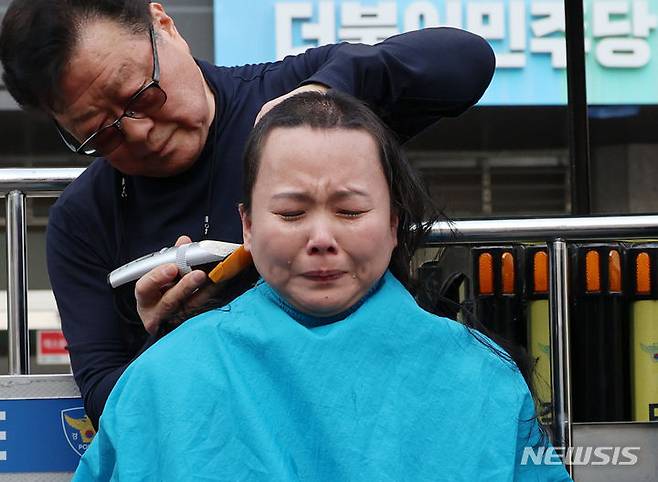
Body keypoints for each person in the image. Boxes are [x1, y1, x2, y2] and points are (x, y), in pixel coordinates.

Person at [0, 0, 496, 428]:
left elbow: (466, 60)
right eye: (100, 134)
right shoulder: (82, 221)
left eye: (141, 95)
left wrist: (326, 92)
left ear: (164, 24)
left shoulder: (292, 95)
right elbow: (112, 407)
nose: (141, 132)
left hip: (379, 409)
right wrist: (165, 342)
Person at [72, 91, 571, 481]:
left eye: (350, 211)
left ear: (394, 223)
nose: (321, 238)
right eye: (291, 213)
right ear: (246, 226)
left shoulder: (480, 377)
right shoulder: (163, 378)